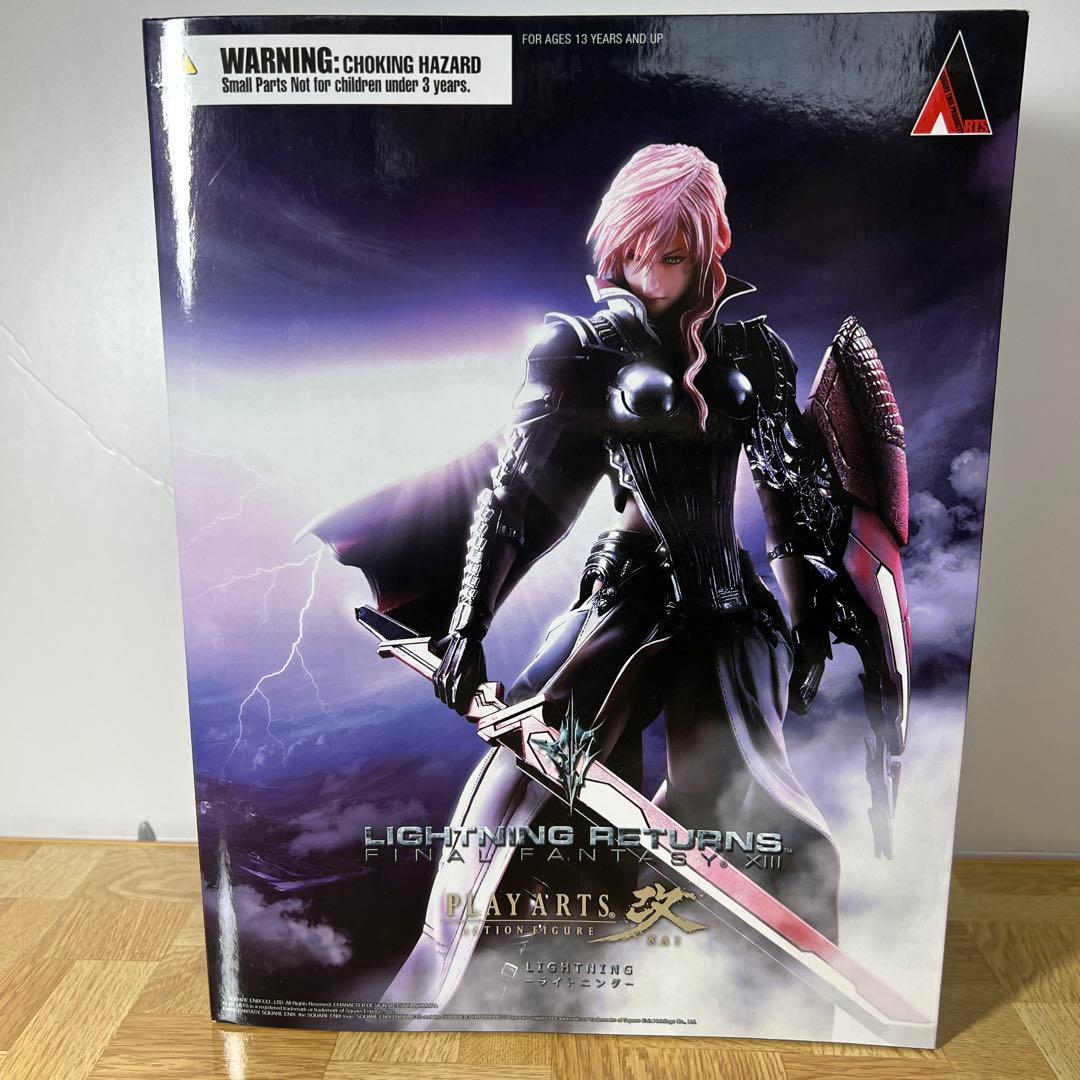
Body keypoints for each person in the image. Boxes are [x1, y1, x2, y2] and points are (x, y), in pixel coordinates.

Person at [308, 143, 911, 1018]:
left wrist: (806, 618)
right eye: (634, 252)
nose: (652, 275)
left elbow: (785, 500)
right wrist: (467, 625)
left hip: (731, 608)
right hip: (627, 595)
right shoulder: (581, 347)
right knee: (524, 798)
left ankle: (771, 1015)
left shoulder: (756, 348)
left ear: (711, 246)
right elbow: (516, 498)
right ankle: (447, 1002)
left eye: (673, 254)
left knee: (777, 830)